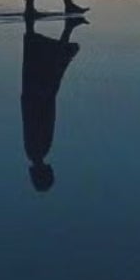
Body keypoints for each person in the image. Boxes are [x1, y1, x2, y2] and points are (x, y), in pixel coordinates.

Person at [21, 13, 86, 192]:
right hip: (37, 97)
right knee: (49, 61)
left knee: (52, 62)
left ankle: (68, 27)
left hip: (40, 97)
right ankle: (67, 27)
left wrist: (47, 97)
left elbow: (41, 121)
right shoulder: (35, 152)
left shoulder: (37, 151)